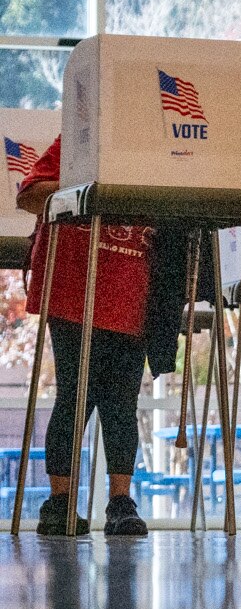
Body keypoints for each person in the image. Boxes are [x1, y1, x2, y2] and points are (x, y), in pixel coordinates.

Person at [16, 137, 152, 537]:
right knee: (75, 394)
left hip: (131, 286)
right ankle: (60, 503)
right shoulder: (80, 137)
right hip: (74, 287)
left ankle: (120, 501)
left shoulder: (157, 150)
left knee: (122, 401)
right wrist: (92, 194)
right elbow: (29, 195)